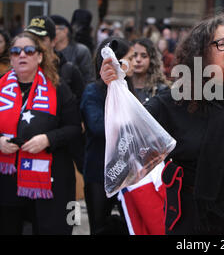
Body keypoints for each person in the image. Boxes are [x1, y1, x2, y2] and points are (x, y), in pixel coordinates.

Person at [101, 13, 224, 234]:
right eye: (221, 43)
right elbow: (128, 134)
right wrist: (117, 87)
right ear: (200, 54)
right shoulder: (174, 101)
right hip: (194, 216)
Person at [0, 32, 82, 234]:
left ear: (40, 56)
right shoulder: (1, 86)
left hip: (49, 181)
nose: (22, 55)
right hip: (7, 181)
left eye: (29, 51)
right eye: (15, 51)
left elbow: (74, 128)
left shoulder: (58, 88)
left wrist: (48, 139)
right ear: (10, 57)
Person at [80, 37, 134, 235]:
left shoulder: (128, 88)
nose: (134, 62)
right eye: (130, 58)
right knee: (99, 226)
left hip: (126, 172)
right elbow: (96, 126)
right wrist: (129, 125)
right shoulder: (93, 91)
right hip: (98, 172)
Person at [24, 16, 86, 173]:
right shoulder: (15, 75)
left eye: (41, 38)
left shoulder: (68, 72)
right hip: (23, 155)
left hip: (59, 157)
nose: (35, 43)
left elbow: (79, 123)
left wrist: (49, 138)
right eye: (31, 38)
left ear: (53, 40)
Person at [50, 15, 95, 85]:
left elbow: (88, 79)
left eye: (54, 30)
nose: (51, 34)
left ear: (65, 30)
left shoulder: (80, 51)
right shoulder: (48, 51)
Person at [131, 38, 170, 105]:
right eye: (134, 55)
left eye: (144, 56)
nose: (138, 59)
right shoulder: (122, 87)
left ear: (151, 60)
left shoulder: (161, 90)